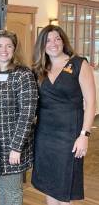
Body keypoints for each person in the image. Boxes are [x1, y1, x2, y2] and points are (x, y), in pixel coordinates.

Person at [31, 25, 96, 205]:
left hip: (70, 134)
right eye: (48, 40)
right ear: (42, 45)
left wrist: (84, 135)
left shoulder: (78, 64)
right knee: (49, 184)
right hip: (44, 135)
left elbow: (91, 104)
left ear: (63, 41)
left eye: (57, 39)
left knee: (65, 186)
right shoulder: (38, 69)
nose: (53, 43)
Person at [0, 30, 38, 205]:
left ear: (15, 49)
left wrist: (16, 147)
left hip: (11, 141)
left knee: (12, 190)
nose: (3, 50)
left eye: (8, 46)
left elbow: (28, 113)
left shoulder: (23, 75)